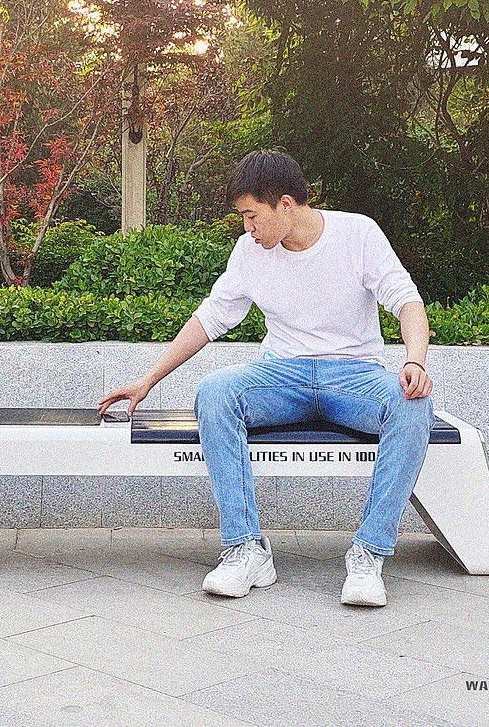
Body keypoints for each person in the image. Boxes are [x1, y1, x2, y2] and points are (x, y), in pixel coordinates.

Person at [98, 149, 434, 607]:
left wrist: (414, 361)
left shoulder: (358, 233)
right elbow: (211, 318)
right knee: (216, 391)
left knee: (412, 404)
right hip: (282, 375)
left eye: (252, 216)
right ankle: (245, 549)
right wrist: (147, 380)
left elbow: (407, 301)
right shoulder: (249, 253)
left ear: (287, 204)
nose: (247, 228)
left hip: (353, 377)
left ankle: (369, 553)